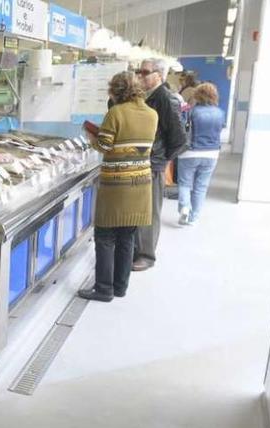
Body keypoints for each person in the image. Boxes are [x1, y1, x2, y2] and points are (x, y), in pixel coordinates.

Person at [77, 72, 159, 302]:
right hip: (141, 184)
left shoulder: (116, 112)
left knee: (105, 237)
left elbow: (104, 146)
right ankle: (120, 287)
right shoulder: (152, 114)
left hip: (117, 186)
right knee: (127, 239)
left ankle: (103, 289)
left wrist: (91, 136)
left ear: (116, 91)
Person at [132, 58, 187, 272]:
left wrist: (161, 159)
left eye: (144, 72)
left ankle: (147, 255)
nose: (140, 76)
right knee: (139, 210)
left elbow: (180, 139)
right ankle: (138, 250)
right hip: (142, 162)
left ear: (159, 75)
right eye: (138, 71)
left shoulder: (165, 98)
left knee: (150, 211)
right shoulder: (148, 97)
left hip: (152, 166)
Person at [176, 83, 224, 226]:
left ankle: (184, 207)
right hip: (212, 153)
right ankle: (193, 217)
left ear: (197, 95)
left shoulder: (190, 110)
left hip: (190, 152)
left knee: (184, 183)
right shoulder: (220, 112)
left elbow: (181, 123)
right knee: (201, 186)